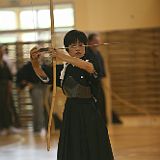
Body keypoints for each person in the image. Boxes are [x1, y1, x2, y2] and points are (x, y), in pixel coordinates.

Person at [30, 30, 114, 160]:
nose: (78, 49)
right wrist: (34, 61)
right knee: (73, 146)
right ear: (67, 48)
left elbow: (88, 68)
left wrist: (62, 56)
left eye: (81, 45)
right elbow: (44, 76)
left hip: (89, 111)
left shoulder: (91, 60)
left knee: (92, 145)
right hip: (71, 111)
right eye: (73, 45)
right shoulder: (64, 69)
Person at [87, 33, 122, 124]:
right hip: (91, 84)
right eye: (95, 41)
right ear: (90, 42)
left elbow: (101, 69)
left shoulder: (98, 53)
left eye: (98, 40)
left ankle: (102, 122)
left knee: (102, 103)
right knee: (95, 104)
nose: (98, 42)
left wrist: (101, 77)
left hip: (98, 82)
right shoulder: (87, 54)